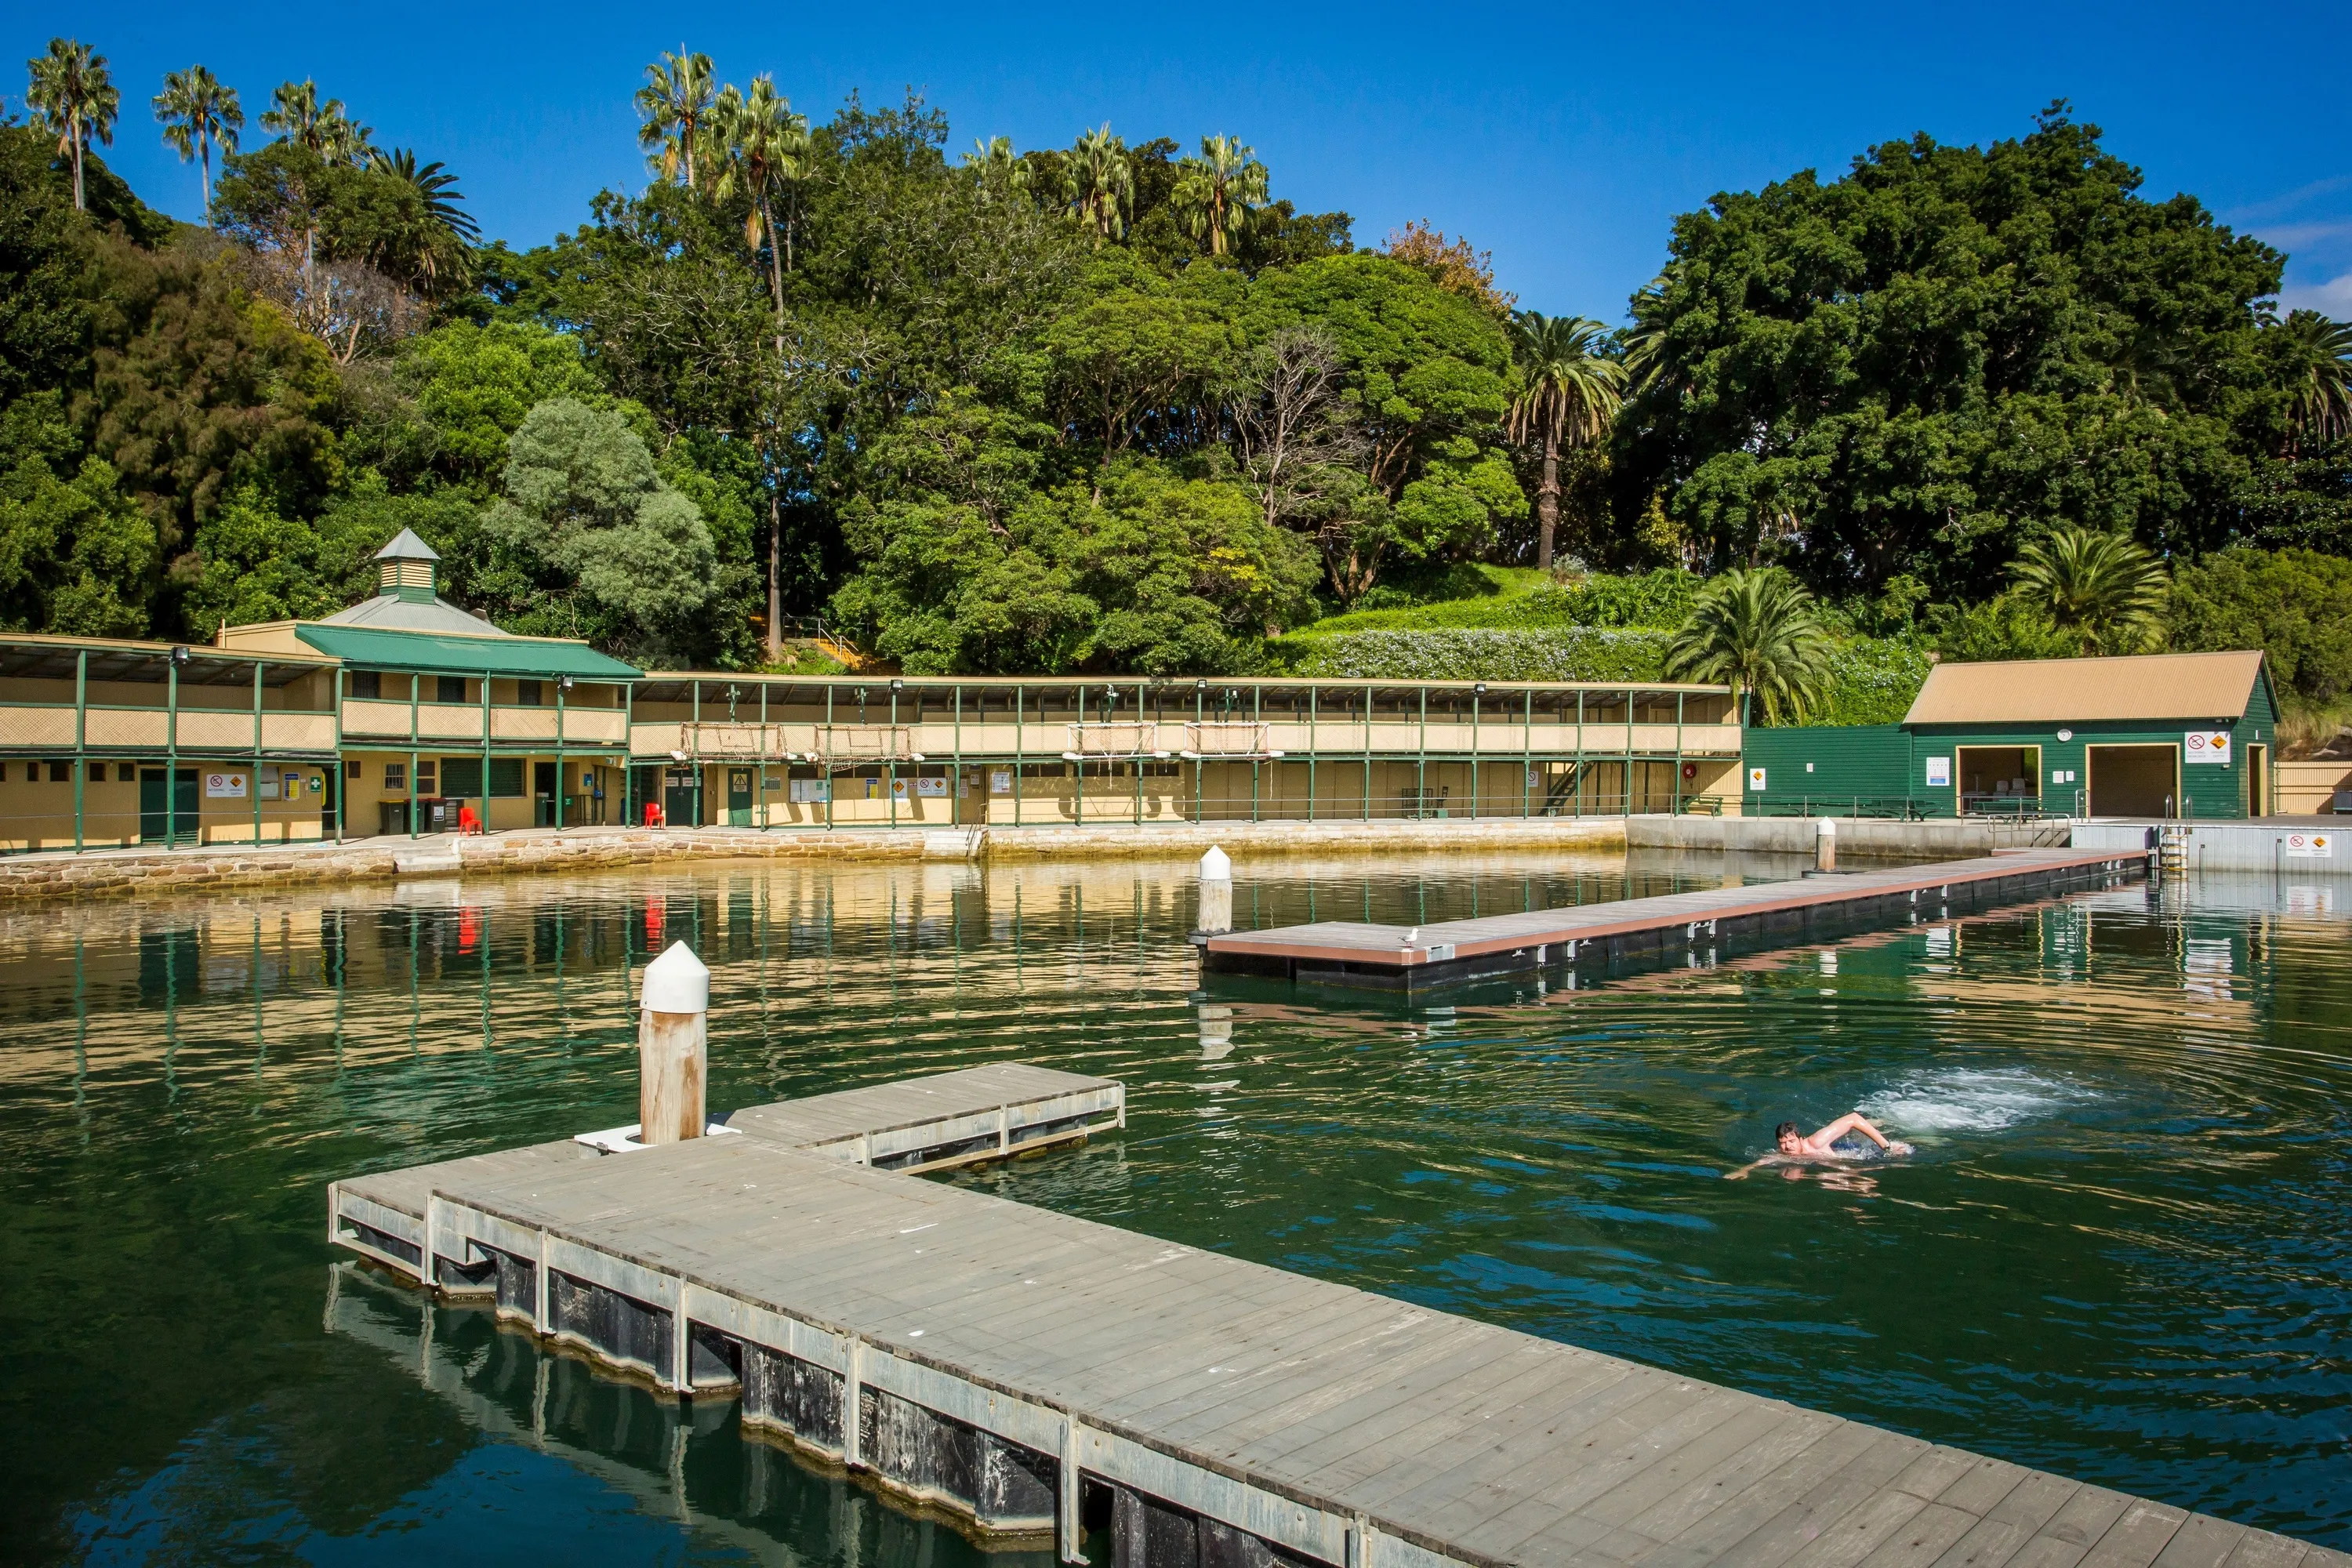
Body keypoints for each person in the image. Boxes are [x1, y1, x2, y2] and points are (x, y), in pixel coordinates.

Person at [1725, 1112, 1911, 1179]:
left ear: (1800, 1138)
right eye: (1783, 1144)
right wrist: (1744, 1171)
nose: (1788, 1147)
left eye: (1791, 1142)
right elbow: (1762, 1162)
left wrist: (1886, 1147)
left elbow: (1854, 1118)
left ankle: (1885, 1124)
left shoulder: (1815, 1141)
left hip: (1857, 1150)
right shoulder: (1782, 1154)